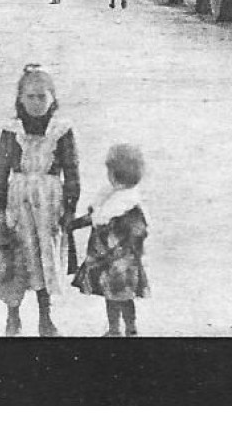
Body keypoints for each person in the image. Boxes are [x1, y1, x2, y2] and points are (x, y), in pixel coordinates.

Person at [0, 65, 80, 337]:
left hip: (49, 201)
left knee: (45, 256)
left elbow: (72, 169)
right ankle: (13, 316)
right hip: (19, 200)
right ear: (20, 98)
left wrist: (70, 208)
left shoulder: (61, 130)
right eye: (30, 97)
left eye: (42, 97)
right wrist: (0, 207)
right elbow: (1, 169)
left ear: (53, 97)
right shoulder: (12, 130)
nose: (36, 103)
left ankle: (45, 316)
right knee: (16, 256)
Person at [71, 142, 150, 337]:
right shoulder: (108, 197)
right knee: (114, 296)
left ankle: (129, 328)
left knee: (121, 297)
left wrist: (126, 246)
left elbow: (138, 231)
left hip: (120, 260)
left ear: (117, 174)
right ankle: (116, 329)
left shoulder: (128, 204)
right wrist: (74, 224)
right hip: (110, 260)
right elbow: (95, 217)